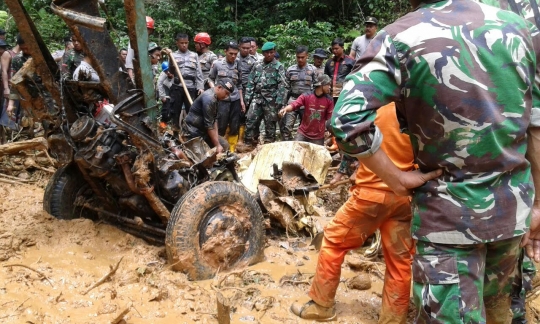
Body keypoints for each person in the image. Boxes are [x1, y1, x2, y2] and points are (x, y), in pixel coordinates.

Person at [329, 0, 540, 323]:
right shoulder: (518, 28)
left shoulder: (401, 36)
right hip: (511, 213)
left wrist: (396, 179)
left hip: (447, 220)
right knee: (498, 309)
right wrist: (537, 203)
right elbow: (536, 125)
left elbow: (346, 120)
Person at [290, 102, 415, 323]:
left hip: (370, 196)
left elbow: (349, 139)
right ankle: (393, 319)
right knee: (400, 262)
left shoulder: (373, 103)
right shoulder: (418, 110)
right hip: (403, 199)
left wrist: (354, 168)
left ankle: (321, 306)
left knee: (332, 242)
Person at [236, 41, 286, 152]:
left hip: (271, 99)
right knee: (250, 120)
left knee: (270, 123)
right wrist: (247, 99)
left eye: (271, 52)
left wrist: (279, 101)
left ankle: (268, 146)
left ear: (274, 52)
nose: (269, 55)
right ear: (263, 53)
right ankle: (250, 143)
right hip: (257, 98)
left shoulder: (279, 67)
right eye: (267, 53)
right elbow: (250, 82)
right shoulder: (257, 65)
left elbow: (282, 85)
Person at [182, 78, 235, 153]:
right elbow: (209, 125)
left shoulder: (216, 98)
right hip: (192, 132)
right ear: (219, 87)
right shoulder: (209, 98)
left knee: (224, 145)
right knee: (203, 159)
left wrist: (217, 140)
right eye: (226, 93)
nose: (226, 96)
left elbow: (214, 120)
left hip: (203, 132)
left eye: (228, 95)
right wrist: (217, 145)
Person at [208, 41, 244, 152]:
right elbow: (210, 78)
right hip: (222, 100)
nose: (233, 56)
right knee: (221, 125)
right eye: (231, 53)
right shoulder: (217, 64)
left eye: (235, 54)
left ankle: (232, 150)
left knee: (234, 125)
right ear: (225, 52)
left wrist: (241, 101)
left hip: (235, 99)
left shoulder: (238, 64)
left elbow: (240, 84)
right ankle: (220, 149)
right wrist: (214, 91)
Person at [278, 74, 333, 145]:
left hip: (318, 136)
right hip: (303, 133)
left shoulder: (329, 100)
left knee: (316, 155)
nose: (330, 87)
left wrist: (328, 131)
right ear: (321, 85)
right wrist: (285, 109)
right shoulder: (306, 96)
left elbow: (329, 117)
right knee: (296, 150)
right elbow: (294, 104)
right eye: (328, 84)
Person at [280, 45, 316, 141]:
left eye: (302, 57)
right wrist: (283, 104)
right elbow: (286, 87)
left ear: (307, 56)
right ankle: (287, 145)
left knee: (306, 127)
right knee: (287, 126)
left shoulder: (312, 70)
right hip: (293, 100)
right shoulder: (290, 69)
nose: (300, 60)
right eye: (298, 57)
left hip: (307, 102)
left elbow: (317, 87)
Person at [172, 33, 204, 115]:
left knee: (191, 110)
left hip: (190, 87)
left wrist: (200, 87)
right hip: (177, 87)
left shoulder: (194, 55)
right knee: (175, 110)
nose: (184, 45)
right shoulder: (173, 55)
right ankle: (175, 127)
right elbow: (170, 70)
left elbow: (199, 73)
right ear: (177, 43)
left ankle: (190, 127)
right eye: (182, 43)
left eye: (186, 43)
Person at [324, 38, 355, 104]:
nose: (334, 51)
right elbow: (326, 77)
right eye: (333, 49)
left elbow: (355, 77)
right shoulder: (329, 62)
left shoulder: (350, 61)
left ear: (342, 48)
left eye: (336, 48)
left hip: (345, 94)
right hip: (330, 95)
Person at [125, 16, 154, 80]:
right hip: (136, 72)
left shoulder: (147, 42)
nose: (147, 31)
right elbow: (129, 57)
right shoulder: (134, 40)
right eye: (145, 29)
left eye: (148, 29)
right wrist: (130, 73)